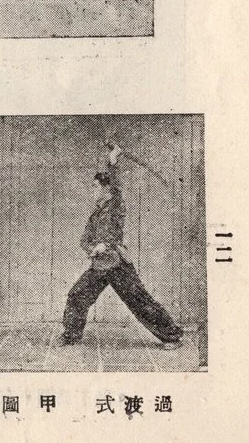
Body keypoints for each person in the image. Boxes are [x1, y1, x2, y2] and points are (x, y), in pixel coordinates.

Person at [60, 144, 185, 348]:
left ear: (105, 189)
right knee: (77, 294)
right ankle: (71, 335)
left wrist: (112, 161)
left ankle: (172, 336)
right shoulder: (96, 214)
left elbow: (116, 183)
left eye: (95, 187)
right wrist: (92, 248)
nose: (93, 190)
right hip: (100, 265)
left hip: (117, 264)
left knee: (140, 301)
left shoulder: (116, 204)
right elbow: (84, 239)